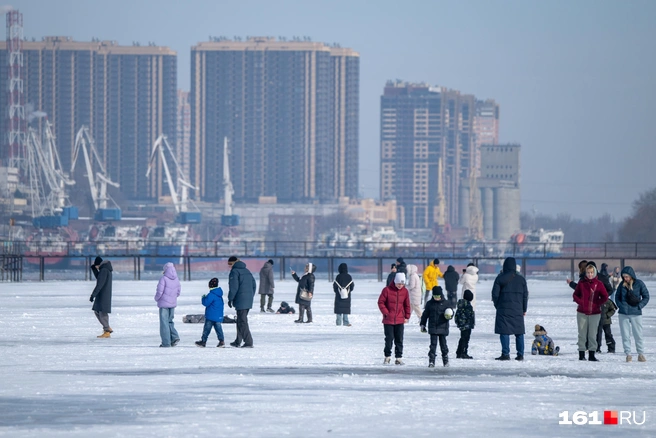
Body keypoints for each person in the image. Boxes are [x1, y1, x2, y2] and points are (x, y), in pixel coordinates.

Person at [491, 257, 529, 361]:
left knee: (504, 331)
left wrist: (498, 305)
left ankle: (505, 354)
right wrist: (524, 309)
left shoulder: (500, 278)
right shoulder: (521, 279)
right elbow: (525, 295)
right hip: (517, 309)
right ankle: (520, 354)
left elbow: (494, 294)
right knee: (519, 332)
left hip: (503, 309)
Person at [573, 263, 609, 361]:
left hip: (595, 313)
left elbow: (605, 296)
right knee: (582, 334)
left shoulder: (599, 284)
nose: (589, 274)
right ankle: (581, 354)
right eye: (588, 273)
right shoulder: (581, 283)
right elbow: (575, 295)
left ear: (594, 273)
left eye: (591, 273)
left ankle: (592, 354)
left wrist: (597, 303)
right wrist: (581, 302)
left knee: (592, 334)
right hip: (582, 313)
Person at [615, 266, 650, 362]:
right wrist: (620, 306)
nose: (625, 278)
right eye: (624, 277)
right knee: (625, 335)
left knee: (638, 334)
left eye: (627, 276)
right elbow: (617, 297)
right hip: (623, 313)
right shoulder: (622, 284)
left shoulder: (639, 284)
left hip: (636, 313)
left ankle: (641, 354)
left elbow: (646, 296)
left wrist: (639, 306)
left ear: (631, 276)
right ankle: (628, 354)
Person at [378, 272, 411, 365]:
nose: (400, 286)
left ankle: (398, 357)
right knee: (389, 338)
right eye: (399, 284)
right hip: (388, 319)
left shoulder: (405, 291)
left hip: (400, 319)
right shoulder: (387, 290)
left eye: (402, 284)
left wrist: (407, 316)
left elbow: (407, 305)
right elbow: (381, 302)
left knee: (399, 339)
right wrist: (386, 313)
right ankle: (387, 356)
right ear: (395, 282)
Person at [227, 256, 256, 348]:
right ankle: (238, 341)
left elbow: (233, 287)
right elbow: (254, 285)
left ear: (232, 263)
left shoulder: (234, 272)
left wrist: (230, 298)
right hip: (248, 299)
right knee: (240, 320)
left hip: (241, 300)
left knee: (242, 321)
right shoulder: (247, 271)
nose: (228, 266)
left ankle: (248, 342)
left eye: (229, 264)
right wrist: (250, 296)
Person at [420, 286, 452, 367]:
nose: (436, 298)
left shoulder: (446, 303)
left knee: (443, 345)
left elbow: (451, 313)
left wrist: (449, 316)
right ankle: (431, 361)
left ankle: (445, 360)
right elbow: (425, 315)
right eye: (435, 296)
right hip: (433, 328)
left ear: (441, 295)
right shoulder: (430, 304)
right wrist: (422, 324)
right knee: (433, 345)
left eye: (438, 296)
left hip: (443, 327)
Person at [154, 262, 181, 347]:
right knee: (170, 321)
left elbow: (159, 291)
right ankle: (174, 337)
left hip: (164, 304)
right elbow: (178, 291)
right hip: (172, 304)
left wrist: (156, 298)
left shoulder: (164, 278)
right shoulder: (176, 278)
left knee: (164, 324)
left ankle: (166, 343)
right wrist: (173, 298)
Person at [195, 277, 225, 348]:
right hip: (218, 316)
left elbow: (206, 303)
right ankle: (222, 341)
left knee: (206, 330)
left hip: (210, 316)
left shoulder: (211, 294)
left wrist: (203, 298)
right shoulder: (219, 295)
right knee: (219, 330)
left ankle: (203, 341)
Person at [90, 256, 113, 338]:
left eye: (96, 266)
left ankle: (107, 330)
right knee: (97, 311)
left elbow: (99, 284)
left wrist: (93, 295)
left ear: (98, 264)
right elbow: (100, 279)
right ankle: (107, 328)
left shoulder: (104, 270)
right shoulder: (105, 269)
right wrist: (94, 270)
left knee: (102, 312)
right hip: (103, 294)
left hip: (103, 294)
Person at [455, 289, 475, 359]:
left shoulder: (461, 304)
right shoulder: (468, 306)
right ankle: (463, 352)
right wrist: (471, 323)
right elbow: (469, 316)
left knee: (462, 338)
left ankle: (459, 352)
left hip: (462, 325)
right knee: (465, 339)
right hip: (467, 325)